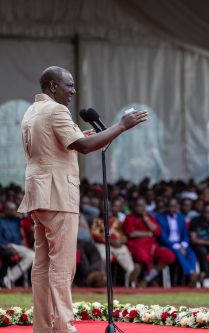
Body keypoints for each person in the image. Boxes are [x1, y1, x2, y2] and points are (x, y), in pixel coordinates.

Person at [17, 66, 147, 333]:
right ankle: (63, 327)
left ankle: (43, 327)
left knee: (42, 265)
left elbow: (59, 145)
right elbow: (85, 148)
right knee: (62, 266)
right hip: (58, 195)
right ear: (53, 86)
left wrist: (86, 135)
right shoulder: (56, 110)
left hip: (38, 194)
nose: (73, 91)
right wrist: (121, 126)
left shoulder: (32, 110)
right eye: (69, 85)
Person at [123, 197, 176, 286]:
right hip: (136, 245)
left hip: (152, 246)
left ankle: (148, 278)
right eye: (138, 206)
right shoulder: (129, 218)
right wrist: (148, 233)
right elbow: (131, 233)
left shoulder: (150, 217)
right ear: (134, 207)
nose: (140, 208)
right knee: (143, 256)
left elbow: (157, 232)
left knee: (169, 255)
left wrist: (146, 219)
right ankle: (147, 279)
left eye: (143, 206)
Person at [91, 199, 141, 287]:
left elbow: (124, 234)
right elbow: (96, 236)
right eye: (103, 206)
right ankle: (103, 279)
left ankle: (132, 274)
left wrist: (122, 241)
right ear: (99, 208)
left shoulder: (116, 221)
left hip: (117, 245)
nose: (106, 208)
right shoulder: (97, 221)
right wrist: (110, 242)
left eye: (107, 206)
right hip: (103, 244)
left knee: (124, 252)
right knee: (104, 257)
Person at [156, 198, 198, 287]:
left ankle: (193, 273)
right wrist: (177, 246)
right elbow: (162, 237)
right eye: (170, 207)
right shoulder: (159, 218)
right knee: (178, 253)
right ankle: (190, 274)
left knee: (191, 253)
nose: (172, 209)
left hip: (180, 243)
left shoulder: (180, 217)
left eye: (174, 207)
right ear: (166, 207)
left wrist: (183, 244)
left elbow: (185, 234)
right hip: (167, 244)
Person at [0, 201, 35, 288]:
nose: (15, 211)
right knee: (31, 255)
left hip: (18, 246)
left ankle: (9, 278)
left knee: (32, 255)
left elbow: (28, 216)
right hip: (6, 246)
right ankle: (7, 278)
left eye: (15, 210)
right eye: (12, 210)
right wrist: (5, 246)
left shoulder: (17, 220)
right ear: (6, 210)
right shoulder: (1, 221)